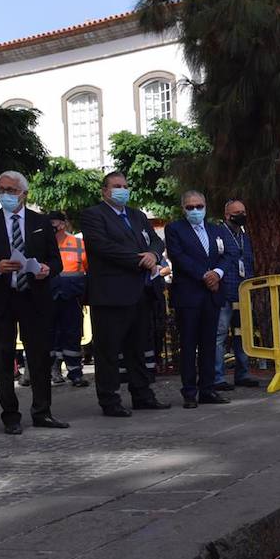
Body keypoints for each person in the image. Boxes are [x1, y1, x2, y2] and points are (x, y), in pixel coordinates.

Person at [0, 171, 69, 435]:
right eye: (1, 189)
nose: (6, 195)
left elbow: (56, 260)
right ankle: (10, 416)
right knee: (3, 358)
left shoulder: (40, 222)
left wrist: (47, 269)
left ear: (24, 194)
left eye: (12, 190)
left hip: (34, 297)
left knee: (39, 357)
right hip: (1, 298)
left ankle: (42, 411)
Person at [81, 171, 172, 416]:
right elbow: (102, 247)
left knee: (138, 348)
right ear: (105, 191)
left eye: (124, 186)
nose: (122, 190)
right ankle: (110, 400)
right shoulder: (93, 215)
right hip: (111, 294)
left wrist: (153, 255)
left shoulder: (137, 215)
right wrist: (138, 260)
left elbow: (156, 241)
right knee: (108, 351)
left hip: (141, 292)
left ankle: (143, 395)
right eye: (116, 186)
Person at [166, 191, 238, 408]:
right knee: (188, 345)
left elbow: (229, 254)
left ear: (205, 206)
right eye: (190, 207)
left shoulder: (216, 230)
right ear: (183, 209)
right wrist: (204, 275)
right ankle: (189, 392)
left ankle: (208, 389)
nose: (195, 210)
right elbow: (178, 257)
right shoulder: (175, 229)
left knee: (209, 344)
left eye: (199, 206)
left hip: (212, 295)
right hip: (189, 295)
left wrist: (217, 273)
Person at [215, 199, 261, 390]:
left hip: (243, 292)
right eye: (237, 213)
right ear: (227, 215)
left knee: (243, 334)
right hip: (225, 292)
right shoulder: (218, 234)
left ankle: (243, 373)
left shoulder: (244, 236)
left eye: (243, 212)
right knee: (220, 334)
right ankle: (217, 377)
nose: (242, 215)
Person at [48, 211, 89, 387]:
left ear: (63, 224)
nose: (52, 227)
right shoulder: (42, 243)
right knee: (50, 335)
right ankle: (52, 371)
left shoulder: (79, 244)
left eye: (54, 223)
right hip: (49, 296)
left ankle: (75, 373)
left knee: (72, 335)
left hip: (72, 297)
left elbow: (87, 269)